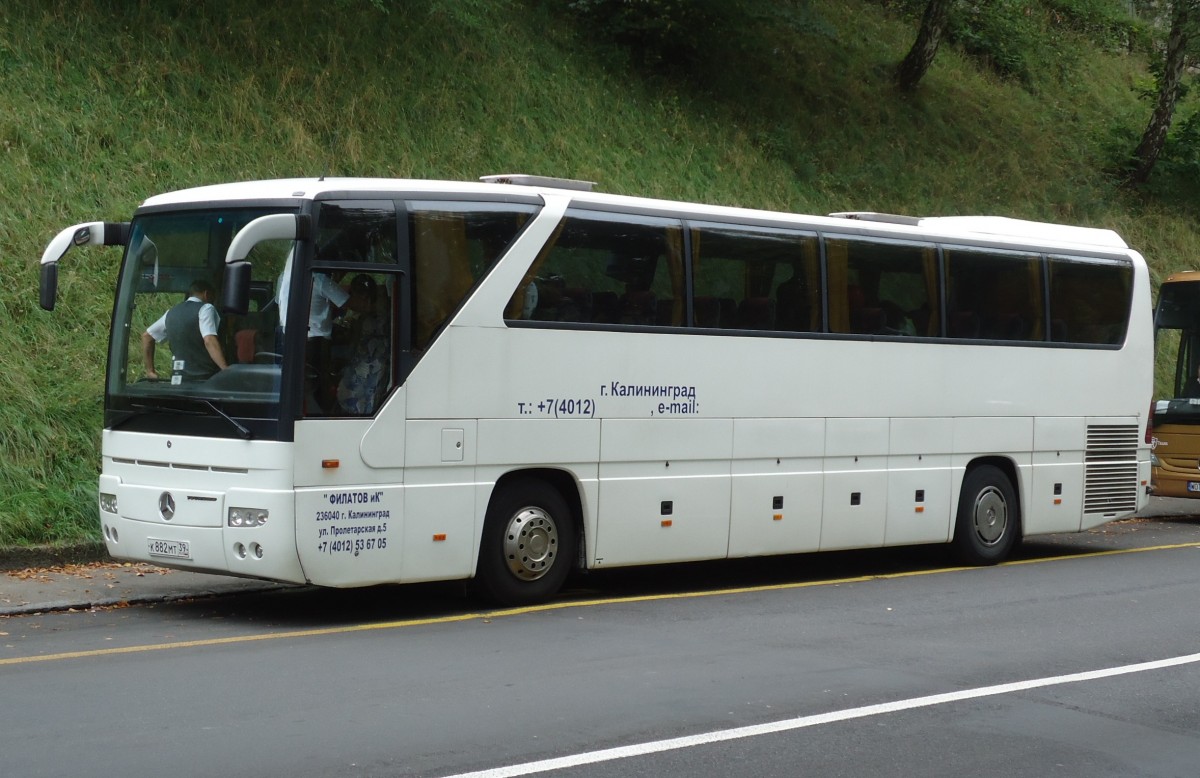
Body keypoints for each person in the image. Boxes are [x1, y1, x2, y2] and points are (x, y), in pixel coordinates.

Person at [141, 279, 228, 382]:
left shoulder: (171, 312)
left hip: (178, 380)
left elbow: (147, 336)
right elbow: (209, 340)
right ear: (207, 294)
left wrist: (150, 371)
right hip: (205, 379)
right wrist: (226, 371)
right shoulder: (206, 308)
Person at [336, 275, 390, 415]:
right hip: (367, 359)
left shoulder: (371, 319)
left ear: (364, 296)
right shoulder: (370, 314)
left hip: (370, 361)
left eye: (353, 295)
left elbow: (354, 343)